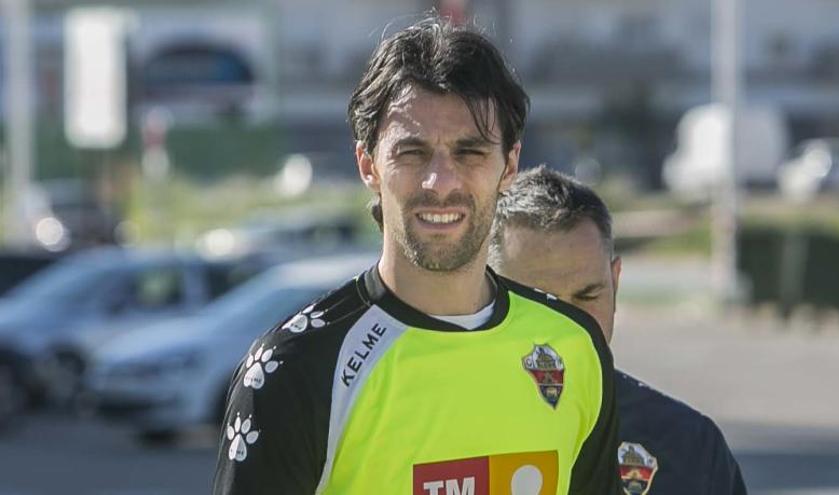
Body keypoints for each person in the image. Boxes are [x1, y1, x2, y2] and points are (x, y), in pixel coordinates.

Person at [213, 18, 622, 494]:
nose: (440, 182)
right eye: (412, 153)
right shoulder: (295, 368)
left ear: (509, 165)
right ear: (367, 164)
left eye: (469, 153)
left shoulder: (574, 346)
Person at [490, 165, 748, 494]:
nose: (571, 325)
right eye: (542, 302)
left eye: (587, 296)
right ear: (485, 293)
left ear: (615, 282)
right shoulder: (435, 429)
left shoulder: (687, 446)